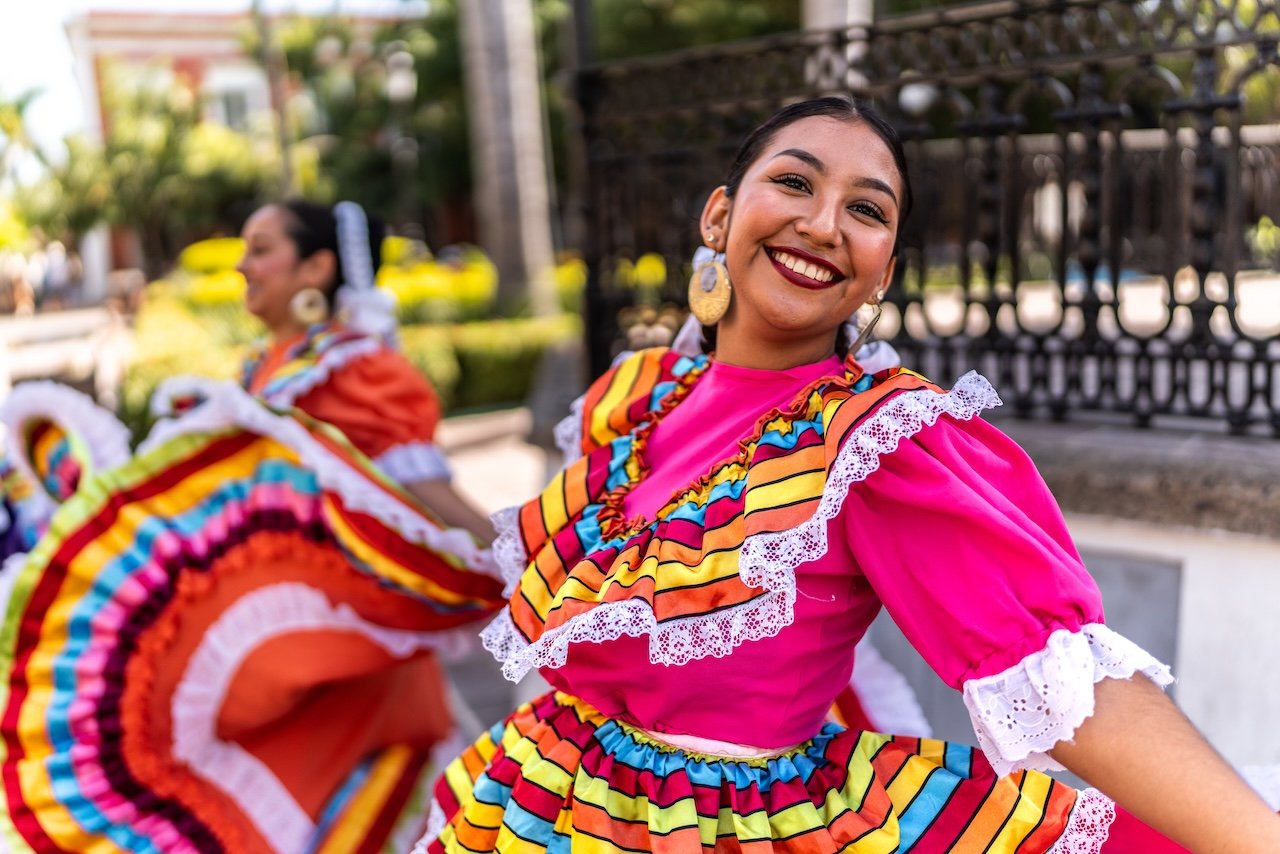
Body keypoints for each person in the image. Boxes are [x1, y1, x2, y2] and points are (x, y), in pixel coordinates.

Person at [417, 97, 1280, 853]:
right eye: (794, 184)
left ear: (883, 273)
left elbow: (1064, 683)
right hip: (526, 803)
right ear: (720, 216)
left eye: (865, 210)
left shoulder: (874, 442)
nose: (824, 224)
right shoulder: (634, 399)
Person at [0, 200, 507, 853]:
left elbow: (426, 490)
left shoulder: (354, 369)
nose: (243, 264)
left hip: (349, 667)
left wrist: (526, 553)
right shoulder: (265, 366)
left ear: (316, 267)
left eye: (261, 249)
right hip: (278, 676)